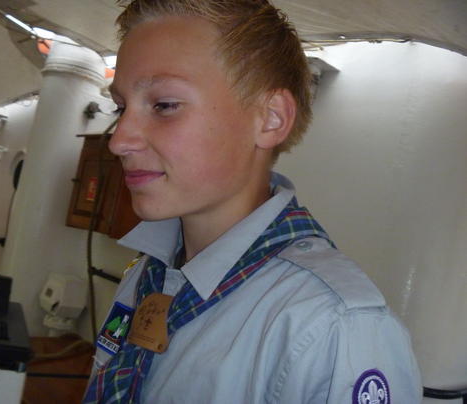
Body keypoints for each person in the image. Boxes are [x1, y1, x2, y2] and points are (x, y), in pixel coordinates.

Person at [83, 0, 422, 403]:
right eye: (121, 107)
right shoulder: (147, 272)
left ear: (271, 118)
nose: (119, 140)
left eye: (164, 105)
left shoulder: (332, 329)